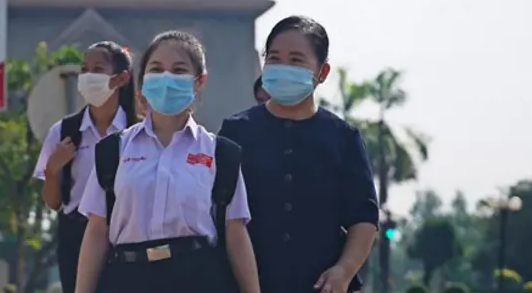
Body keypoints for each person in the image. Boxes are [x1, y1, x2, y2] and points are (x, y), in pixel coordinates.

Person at [75, 31, 260, 293]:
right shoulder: (113, 151)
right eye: (157, 69)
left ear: (199, 81)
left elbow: (236, 233)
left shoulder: (220, 153)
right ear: (143, 81)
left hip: (198, 277)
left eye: (178, 70)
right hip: (127, 278)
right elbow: (96, 231)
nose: (166, 78)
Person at [219, 16, 379, 293]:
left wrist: (344, 270)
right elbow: (219, 213)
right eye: (275, 58)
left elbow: (363, 218)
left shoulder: (343, 138)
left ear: (322, 71)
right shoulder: (236, 132)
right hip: (248, 283)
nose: (284, 68)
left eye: (296, 60)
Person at [33, 40, 139, 293]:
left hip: (127, 234)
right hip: (76, 236)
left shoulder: (138, 132)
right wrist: (52, 170)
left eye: (98, 69)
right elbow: (53, 202)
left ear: (121, 78)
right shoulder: (64, 132)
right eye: (84, 69)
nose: (88, 76)